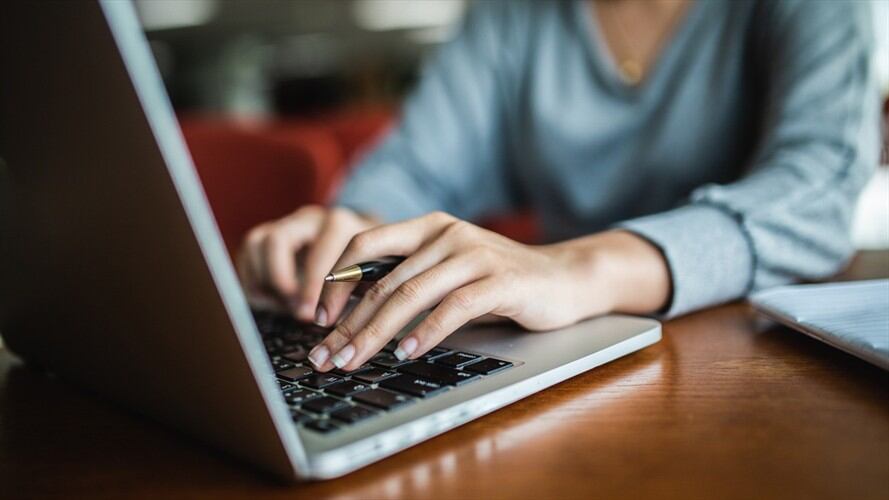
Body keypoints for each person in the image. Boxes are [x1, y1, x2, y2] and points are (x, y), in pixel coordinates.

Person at [238, 0, 879, 372]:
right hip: (554, 356)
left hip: (748, 361)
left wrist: (575, 269)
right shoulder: (514, 13)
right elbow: (418, 163)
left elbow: (815, 193)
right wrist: (356, 227)